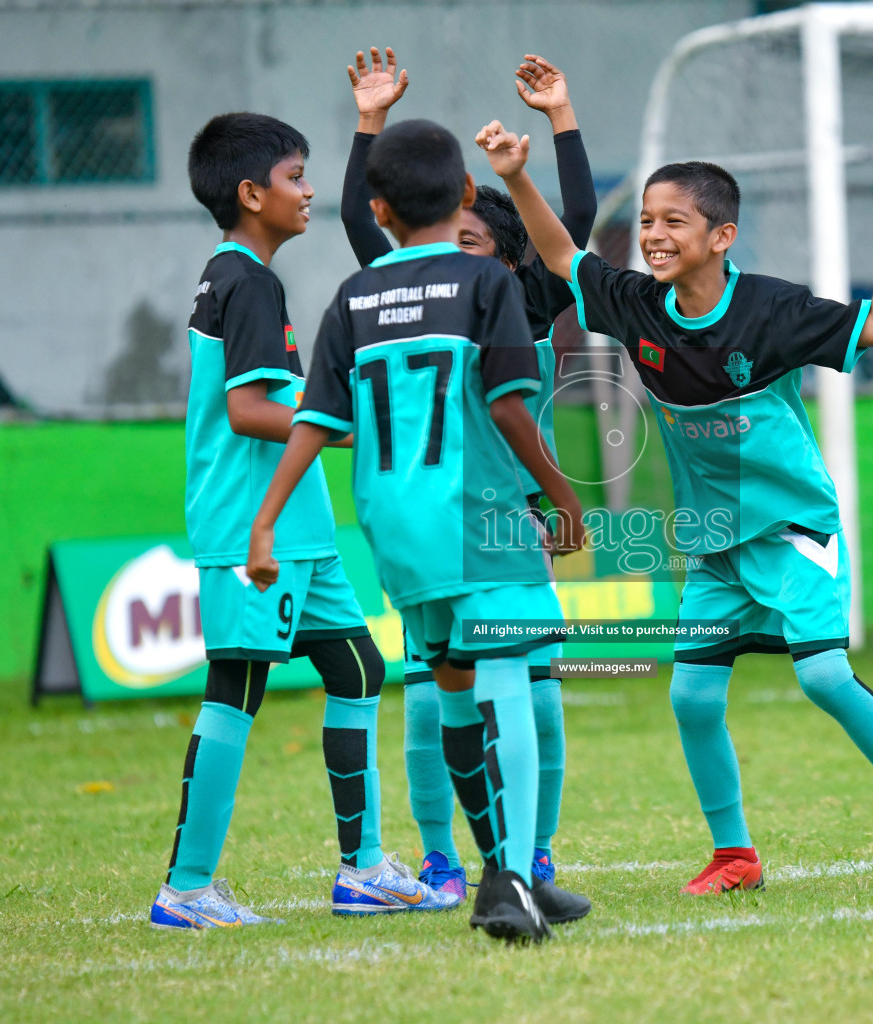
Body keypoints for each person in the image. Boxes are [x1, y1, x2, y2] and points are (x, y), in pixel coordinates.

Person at [477, 119, 873, 894]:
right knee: (692, 696)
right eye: (645, 221)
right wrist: (514, 176)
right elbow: (562, 257)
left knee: (825, 677)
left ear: (722, 235)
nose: (654, 235)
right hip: (714, 542)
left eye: (674, 221)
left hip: (791, 526)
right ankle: (735, 855)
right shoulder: (637, 305)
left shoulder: (771, 311)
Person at [247, 118, 590, 943]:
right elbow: (509, 404)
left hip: (392, 525)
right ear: (467, 192)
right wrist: (562, 494)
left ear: (376, 208)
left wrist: (265, 525)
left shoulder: (354, 297)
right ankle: (512, 875)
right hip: (481, 514)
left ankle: (488, 871)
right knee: (509, 680)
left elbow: (314, 419)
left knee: (452, 689)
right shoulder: (486, 285)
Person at [149, 112, 457, 930]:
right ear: (251, 194)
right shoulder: (245, 280)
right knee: (237, 687)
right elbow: (249, 409)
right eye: (294, 177)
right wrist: (345, 426)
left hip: (302, 530)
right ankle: (185, 887)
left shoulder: (249, 276)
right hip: (253, 526)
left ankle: (361, 870)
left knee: (357, 670)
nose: (310, 190)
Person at [338, 47, 595, 905]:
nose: (463, 241)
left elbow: (579, 224)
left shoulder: (518, 295)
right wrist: (369, 122)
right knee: (437, 695)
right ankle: (455, 856)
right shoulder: (412, 287)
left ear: (503, 254)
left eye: (479, 236)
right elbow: (361, 218)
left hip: (492, 512)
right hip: (466, 513)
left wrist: (562, 120)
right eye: (461, 225)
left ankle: (529, 853)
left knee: (531, 693)